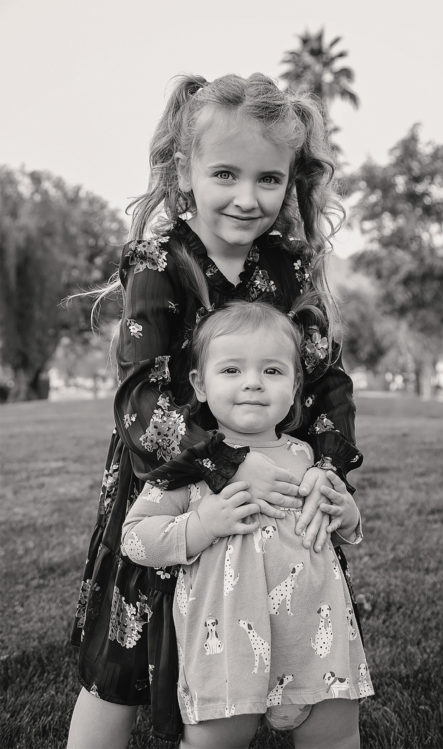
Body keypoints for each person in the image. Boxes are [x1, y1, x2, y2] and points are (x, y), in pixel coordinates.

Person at [67, 73, 363, 748]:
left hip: (273, 506)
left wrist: (325, 468)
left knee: (278, 642)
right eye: (225, 173)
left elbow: (325, 381)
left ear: (291, 181)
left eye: (269, 178)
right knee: (123, 658)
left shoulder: (287, 268)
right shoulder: (160, 261)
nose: (247, 196)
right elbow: (144, 396)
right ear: (185, 168)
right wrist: (232, 465)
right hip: (167, 484)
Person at [121, 298, 372, 749]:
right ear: (200, 384)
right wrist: (201, 524)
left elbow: (340, 529)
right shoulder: (194, 465)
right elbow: (135, 539)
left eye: (272, 371)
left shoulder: (307, 459)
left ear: (295, 387)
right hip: (227, 652)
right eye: (232, 370)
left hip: (317, 645)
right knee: (216, 742)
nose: (253, 383)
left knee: (335, 737)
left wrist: (344, 511)